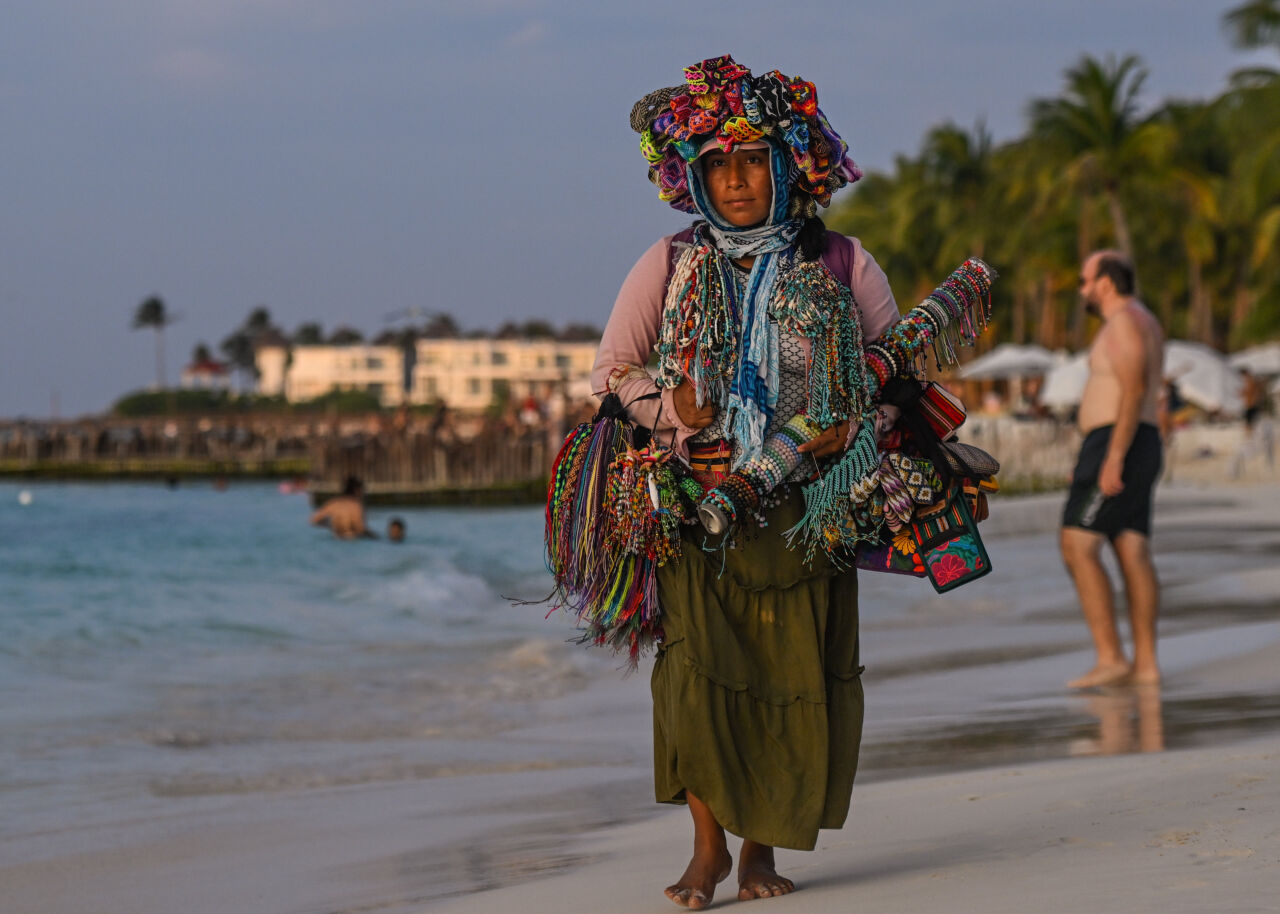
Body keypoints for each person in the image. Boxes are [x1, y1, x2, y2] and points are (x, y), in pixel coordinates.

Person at [592, 56, 901, 908]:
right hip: (698, 511)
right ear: (692, 174)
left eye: (753, 160)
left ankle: (758, 850)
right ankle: (707, 848)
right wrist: (681, 422)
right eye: (718, 164)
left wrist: (841, 428)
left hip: (808, 519)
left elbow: (890, 379)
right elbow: (613, 370)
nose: (735, 179)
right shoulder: (669, 261)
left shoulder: (842, 262)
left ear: (787, 164)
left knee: (789, 679)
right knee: (693, 677)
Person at [1060, 250, 1164, 689]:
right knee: (1131, 546)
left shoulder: (1123, 323)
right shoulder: (1145, 320)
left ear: (1104, 282)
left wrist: (1112, 456)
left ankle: (1111, 657)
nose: (1082, 290)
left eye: (1084, 281)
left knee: (1077, 544)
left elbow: (1134, 386)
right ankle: (1145, 666)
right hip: (1137, 439)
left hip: (1117, 440)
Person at [310, 475, 375, 539]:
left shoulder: (334, 503)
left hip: (337, 539)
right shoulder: (356, 505)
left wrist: (331, 525)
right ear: (357, 490)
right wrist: (373, 536)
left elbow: (314, 520)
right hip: (352, 539)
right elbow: (360, 528)